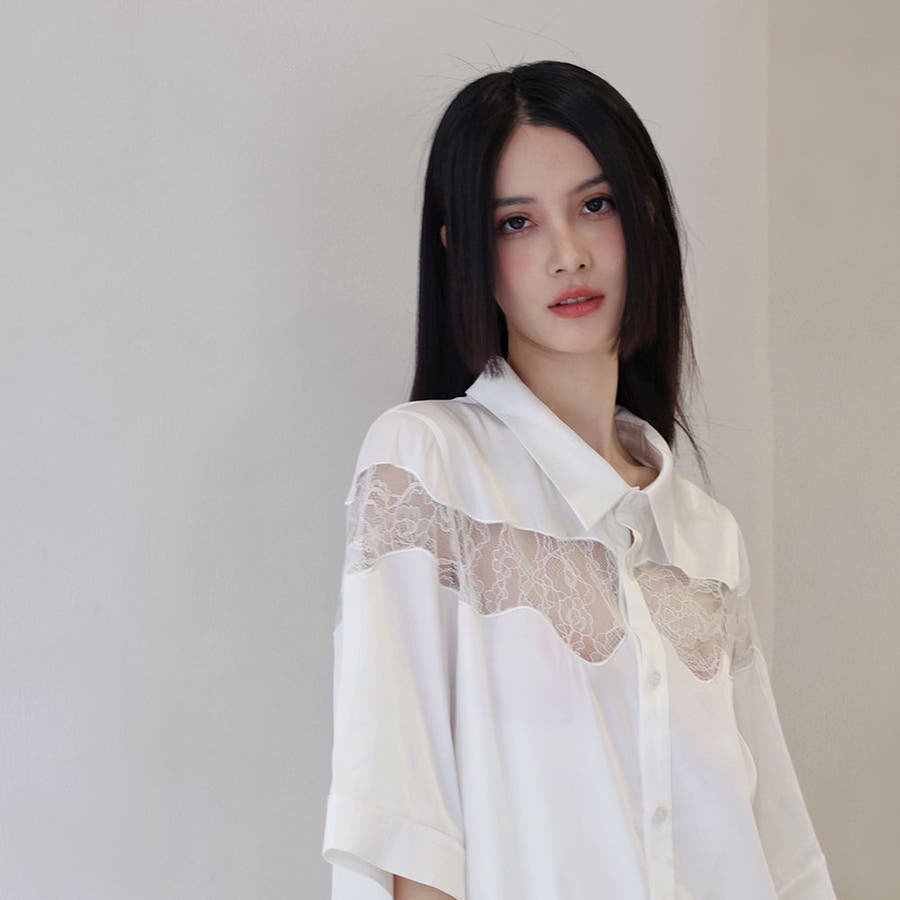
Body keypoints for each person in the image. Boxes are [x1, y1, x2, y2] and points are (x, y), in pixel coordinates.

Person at [321, 60, 838, 900]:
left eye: (595, 206)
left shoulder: (705, 535)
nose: (568, 254)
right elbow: (404, 826)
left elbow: (778, 847)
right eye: (517, 223)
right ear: (464, 252)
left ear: (644, 218)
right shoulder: (425, 467)